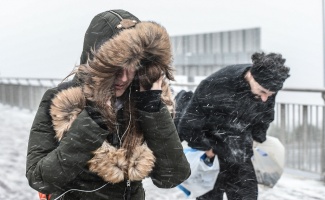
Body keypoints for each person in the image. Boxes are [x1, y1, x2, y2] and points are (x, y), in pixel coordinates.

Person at [26, 9, 190, 200]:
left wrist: (152, 110)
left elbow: (171, 177)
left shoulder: (144, 100)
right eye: (114, 67)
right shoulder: (61, 99)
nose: (123, 77)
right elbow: (39, 179)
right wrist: (92, 122)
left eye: (132, 65)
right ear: (95, 63)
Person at [178, 52, 290, 200]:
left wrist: (257, 139)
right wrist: (207, 149)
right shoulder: (215, 85)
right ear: (251, 75)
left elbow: (265, 117)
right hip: (212, 156)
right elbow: (188, 125)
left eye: (270, 94)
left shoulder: (267, 86)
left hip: (240, 154)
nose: (265, 98)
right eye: (262, 92)